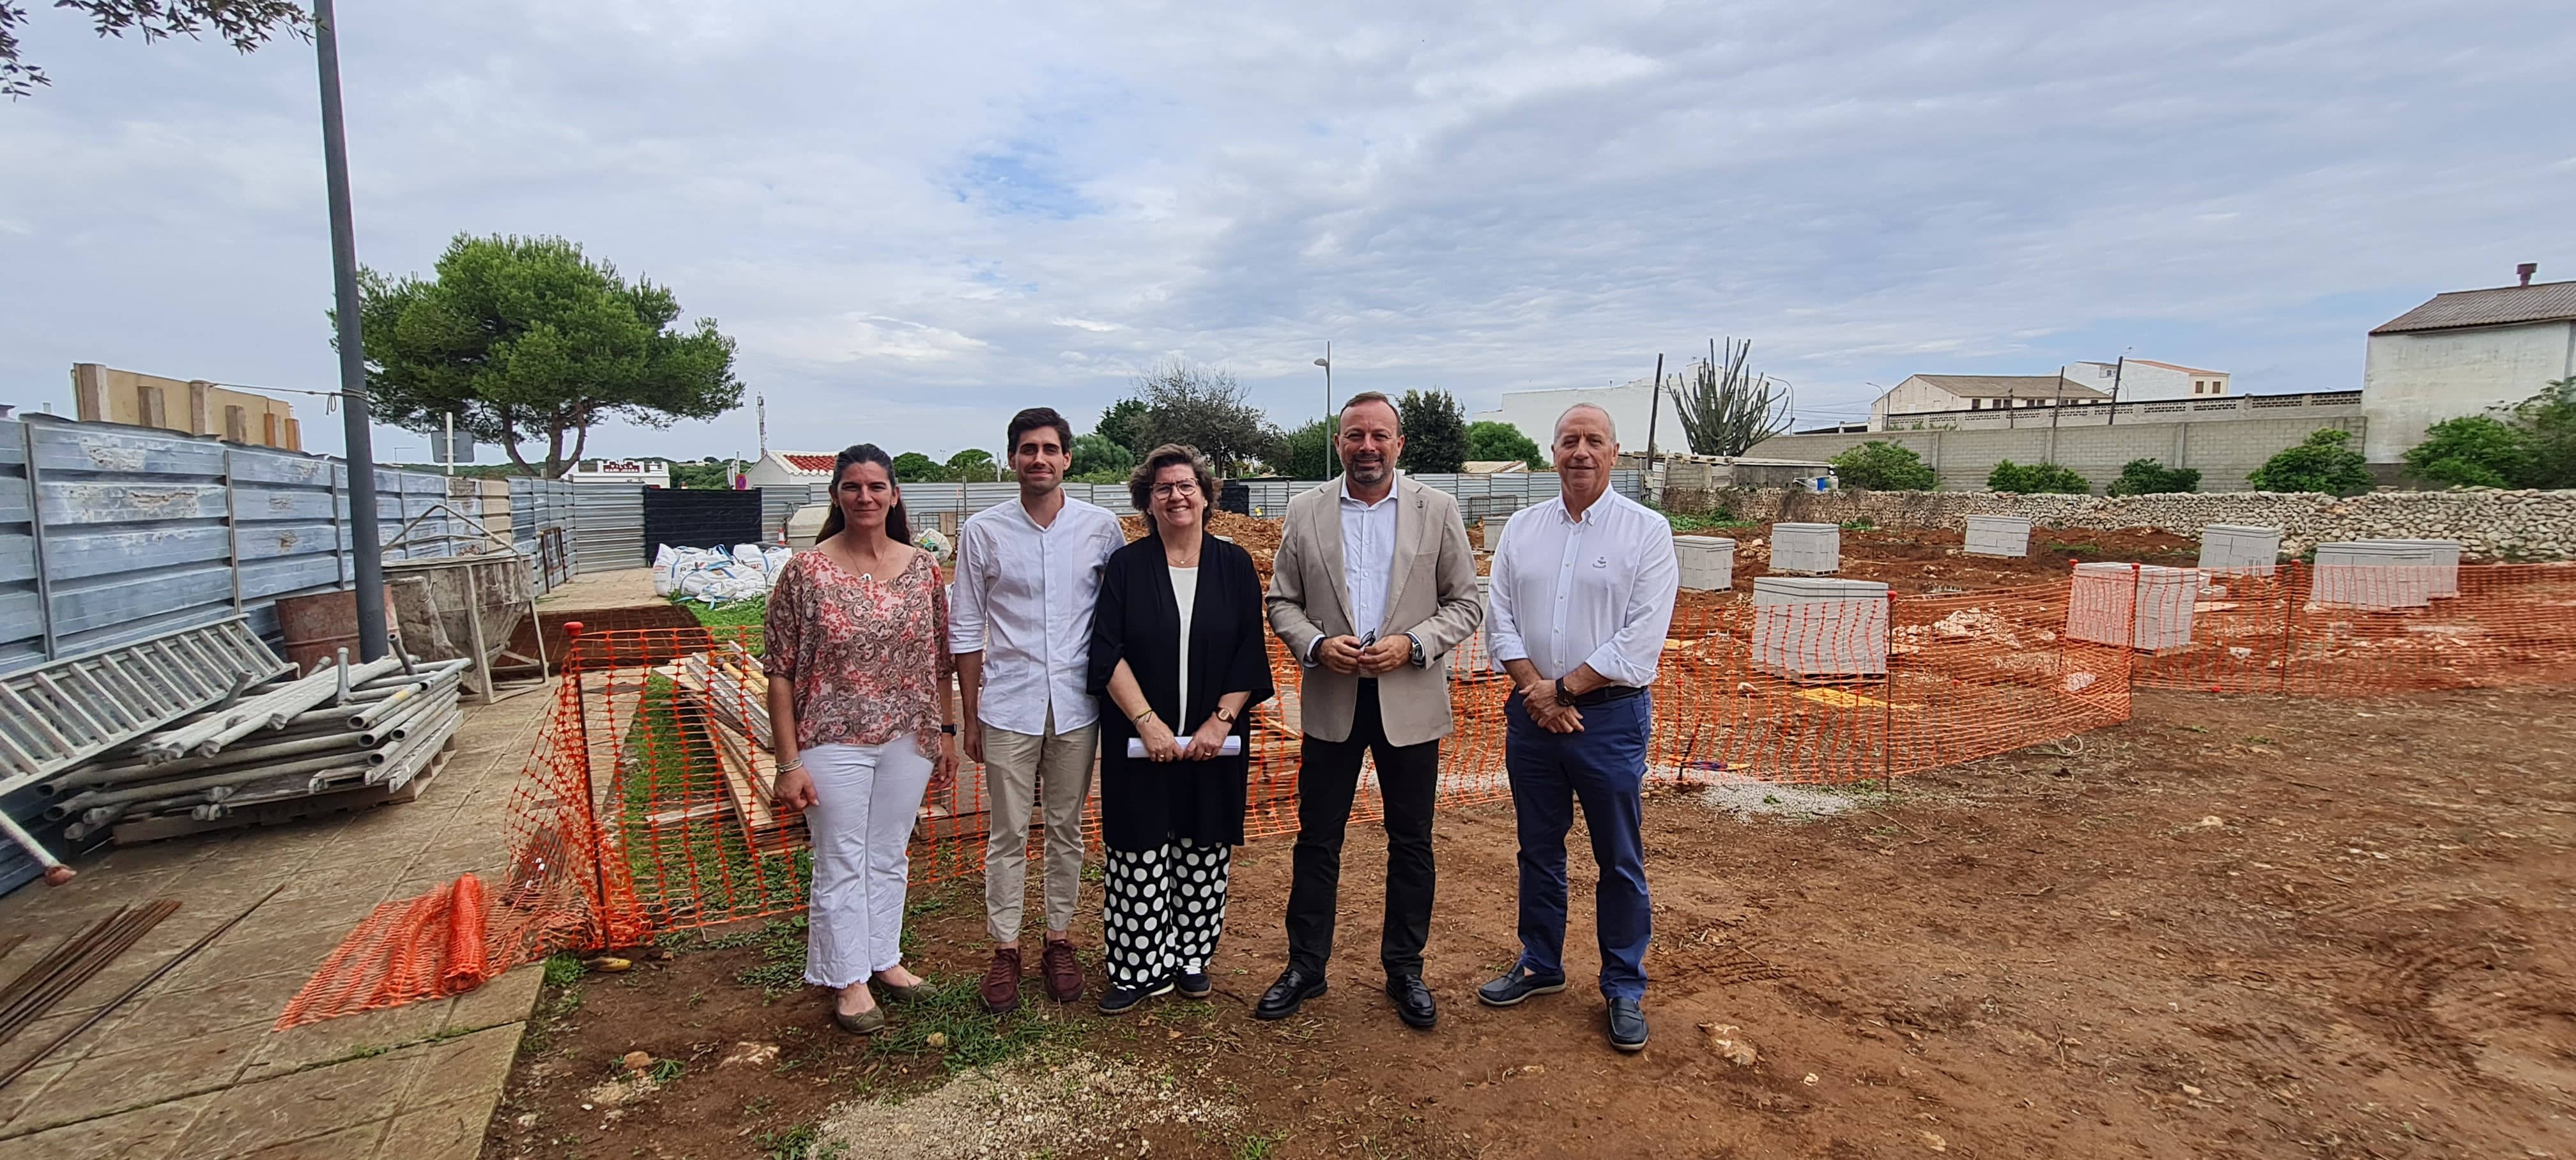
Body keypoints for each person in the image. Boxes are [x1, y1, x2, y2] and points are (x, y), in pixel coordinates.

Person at [1256, 392, 1483, 1029]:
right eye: (1355, 435)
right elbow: (1282, 601)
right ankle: (1306, 966)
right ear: (1339, 443)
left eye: (1379, 435)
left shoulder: (1436, 510)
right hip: (1332, 701)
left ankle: (1404, 969)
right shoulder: (1306, 511)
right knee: (1317, 839)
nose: (1367, 447)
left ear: (1399, 444)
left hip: (1408, 704)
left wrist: (1414, 645)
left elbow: (1465, 604)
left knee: (1411, 841)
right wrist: (1316, 645)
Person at [1478, 404, 1678, 1053]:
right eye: (1569, 441)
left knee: (1619, 857)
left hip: (1610, 718)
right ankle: (1541, 963)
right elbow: (1499, 617)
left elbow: (1640, 640)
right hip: (1532, 717)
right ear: (1553, 452)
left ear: (1615, 453)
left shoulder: (1646, 531)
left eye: (1594, 441)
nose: (1581, 452)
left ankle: (1623, 985)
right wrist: (1537, 693)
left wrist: (1560, 690)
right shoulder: (1522, 529)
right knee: (1539, 848)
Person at [763, 444, 962, 1035]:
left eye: (877, 487)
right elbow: (780, 669)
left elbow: (940, 658)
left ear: (895, 495)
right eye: (853, 487)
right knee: (841, 856)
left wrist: (945, 733)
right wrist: (787, 762)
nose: (866, 497)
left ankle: (885, 959)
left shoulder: (923, 569)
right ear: (836, 497)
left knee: (888, 852)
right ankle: (847, 978)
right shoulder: (806, 572)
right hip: (830, 737)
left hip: (909, 735)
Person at [1086, 444, 1276, 1015]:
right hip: (1138, 743)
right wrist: (1147, 722)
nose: (1176, 496)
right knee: (1138, 848)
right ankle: (1139, 966)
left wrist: (1221, 722)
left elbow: (1250, 648)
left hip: (1215, 744)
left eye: (1186, 486)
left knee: (1204, 843)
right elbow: (1106, 650)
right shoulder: (1127, 566)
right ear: (1148, 500)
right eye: (1163, 488)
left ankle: (1191, 957)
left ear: (1206, 494)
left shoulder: (1235, 563)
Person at [950, 407, 1128, 1013]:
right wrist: (970, 716)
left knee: (1066, 829)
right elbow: (967, 624)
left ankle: (1058, 939)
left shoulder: (1101, 528)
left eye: (1050, 449)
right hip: (1008, 704)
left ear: (1068, 458)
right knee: (1004, 833)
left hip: (1078, 706)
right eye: (1028, 449)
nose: (1039, 459)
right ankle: (1005, 947)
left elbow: (1117, 618)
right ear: (1012, 459)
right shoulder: (984, 532)